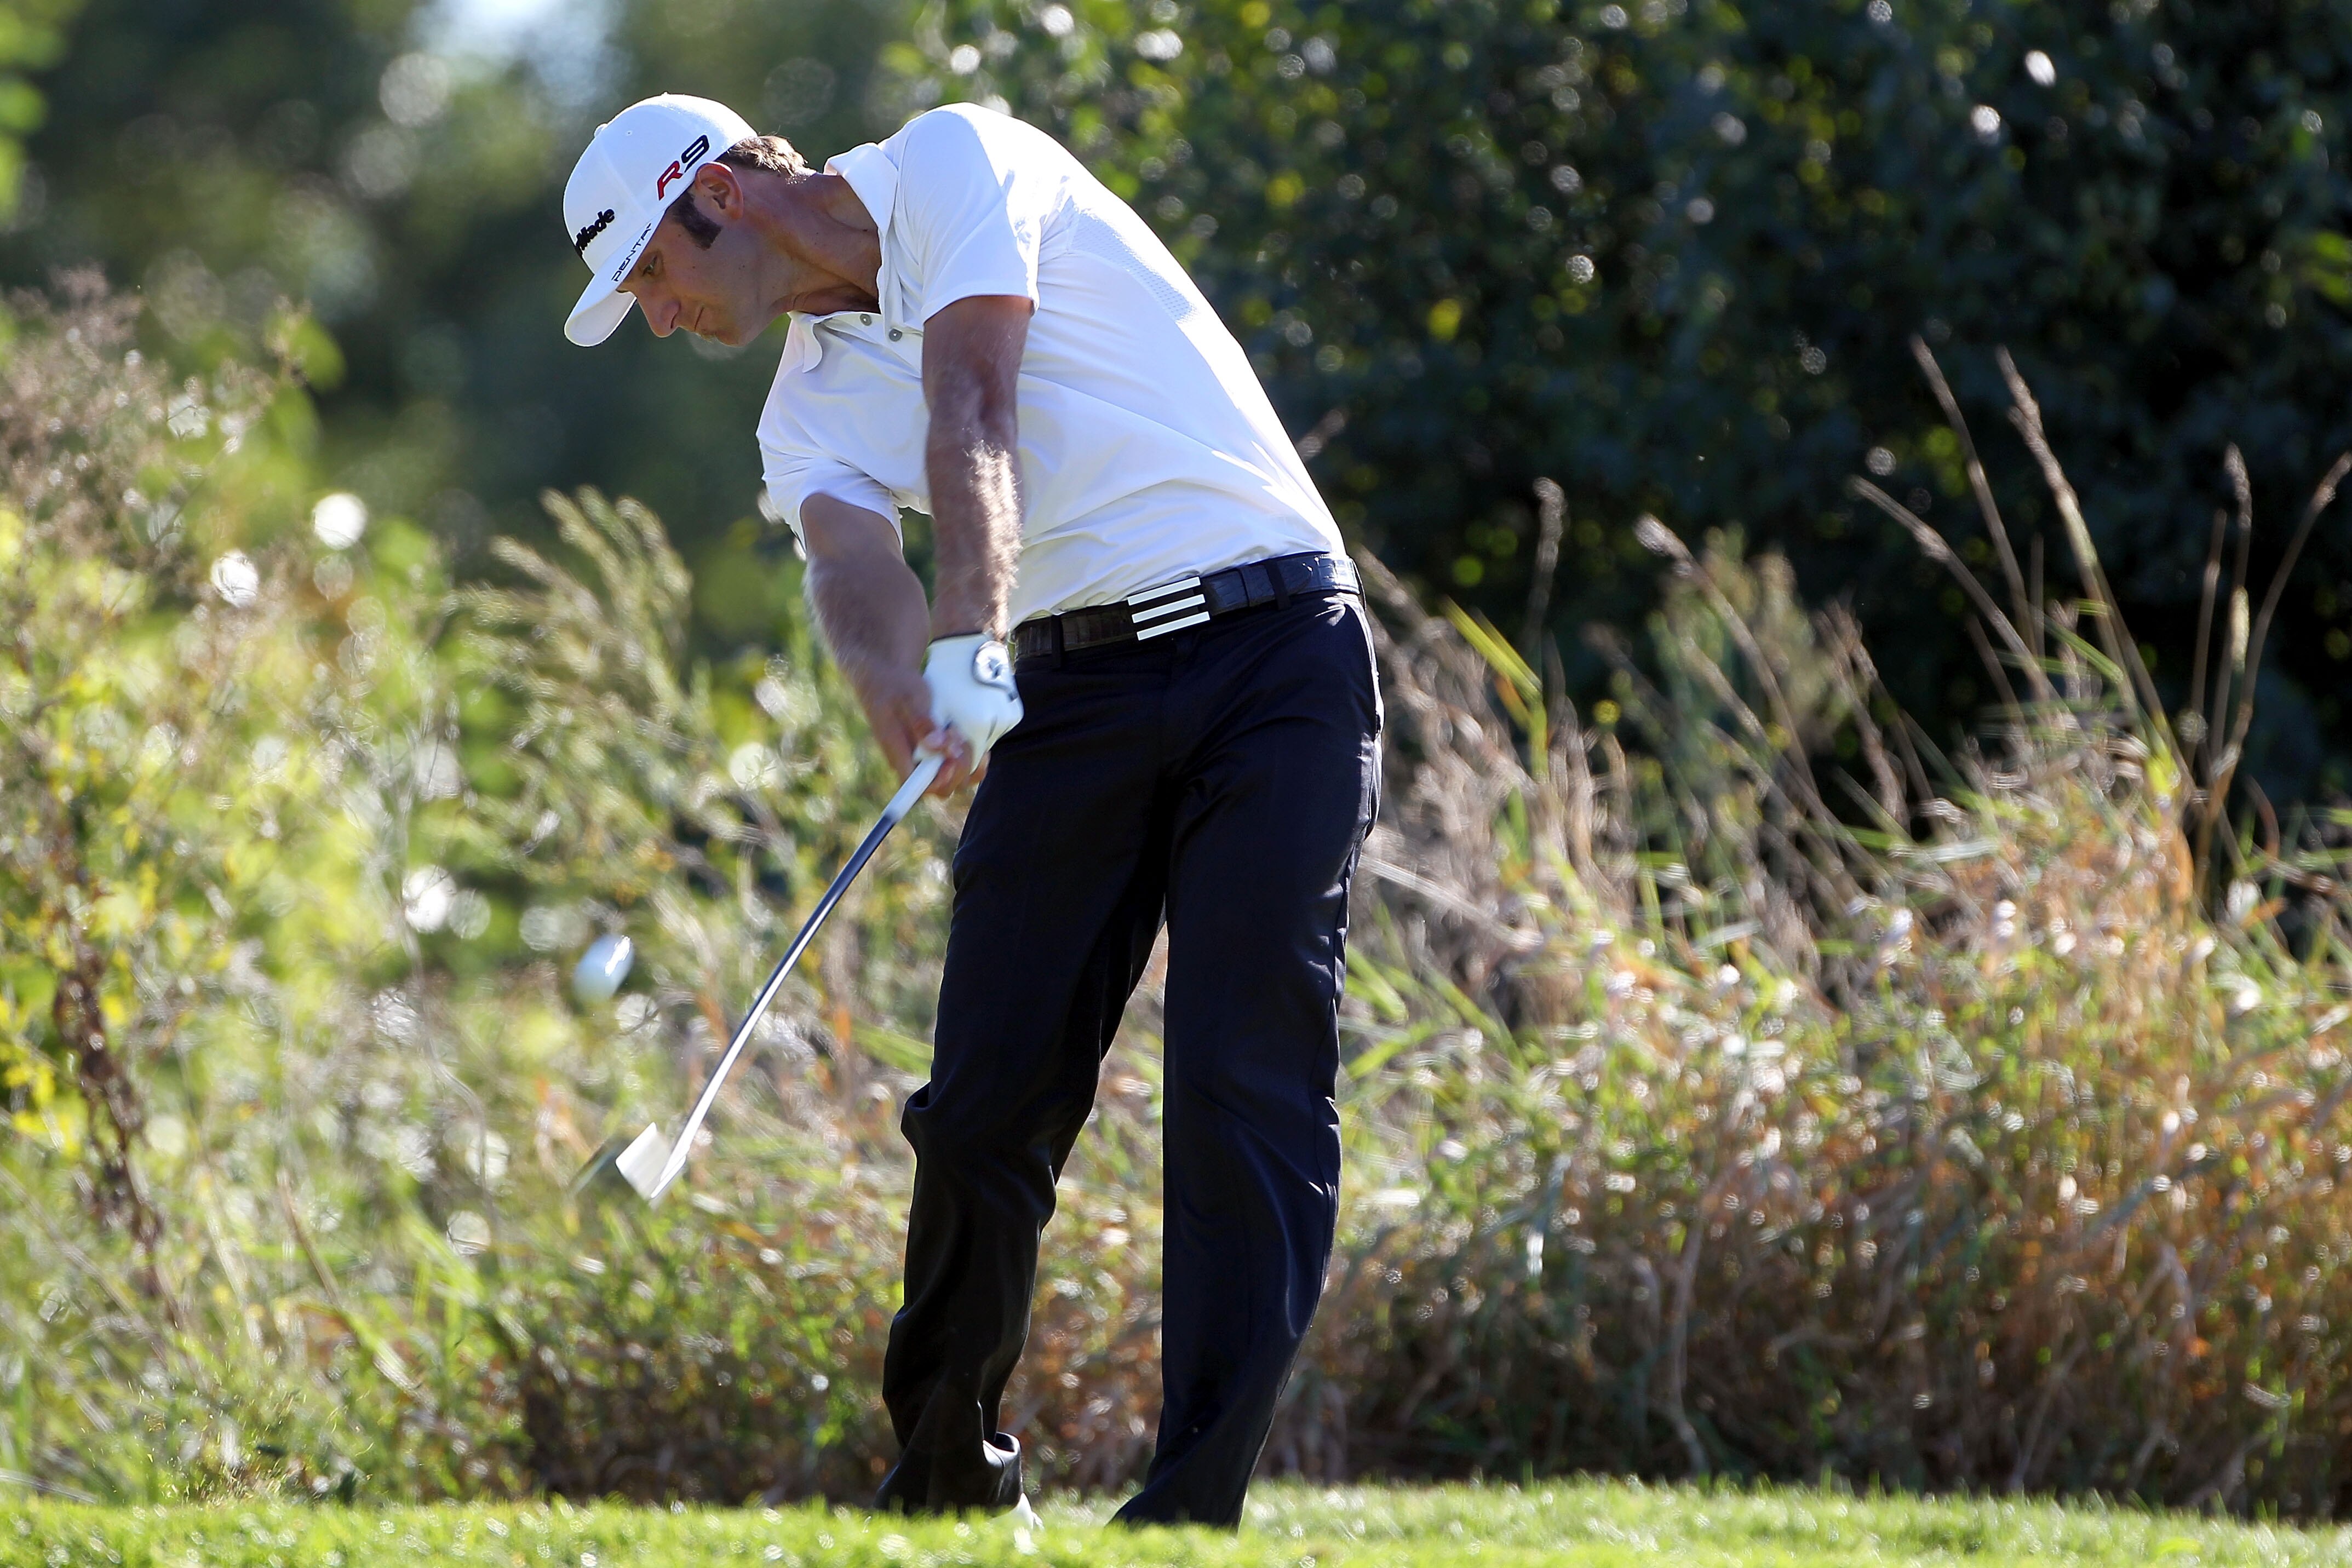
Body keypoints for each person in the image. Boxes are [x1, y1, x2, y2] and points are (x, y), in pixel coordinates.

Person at [559, 93, 1381, 1528]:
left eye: (649, 275)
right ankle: (944, 1477)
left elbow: (975, 407)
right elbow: (846, 561)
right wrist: (904, 695)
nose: (658, 318)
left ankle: (1189, 1511)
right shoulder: (802, 408)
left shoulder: (956, 161)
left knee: (1243, 1078)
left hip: (1273, 650)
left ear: (723, 197)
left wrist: (972, 639)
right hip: (1068, 695)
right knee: (983, 1104)